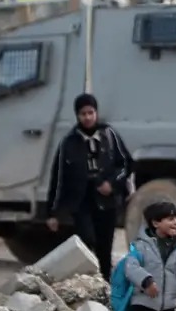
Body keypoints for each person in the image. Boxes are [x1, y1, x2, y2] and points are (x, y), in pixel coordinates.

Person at [46, 93, 134, 279]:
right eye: (83, 113)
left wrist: (111, 183)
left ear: (96, 113)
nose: (87, 117)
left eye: (90, 112)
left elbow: (126, 164)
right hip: (81, 202)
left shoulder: (109, 135)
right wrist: (53, 212)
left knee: (105, 247)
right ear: (77, 115)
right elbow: (58, 178)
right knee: (87, 240)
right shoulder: (68, 143)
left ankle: (105, 285)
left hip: (107, 201)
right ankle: (89, 280)